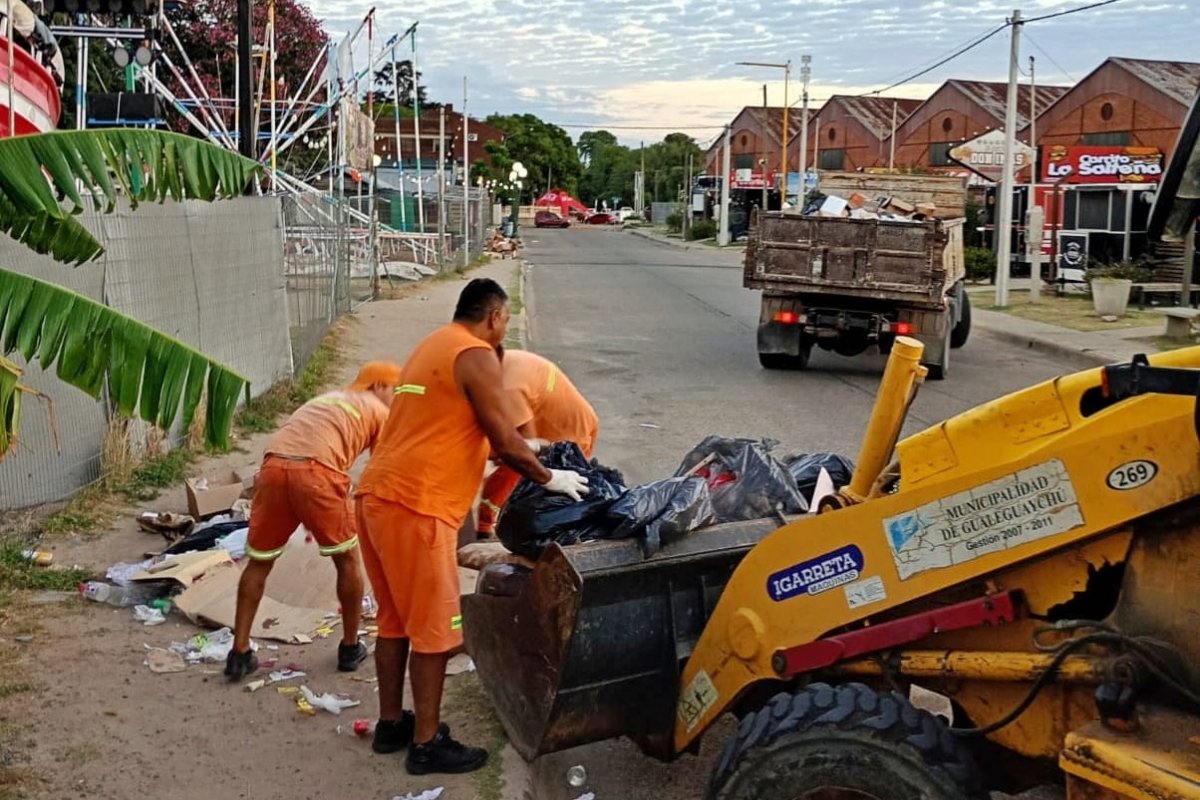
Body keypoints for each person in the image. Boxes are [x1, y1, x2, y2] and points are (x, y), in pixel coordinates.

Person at [355, 278, 588, 775]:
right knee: (437, 632)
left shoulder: (432, 346)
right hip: (418, 506)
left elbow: (456, 430)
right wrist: (550, 477)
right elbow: (504, 440)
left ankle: (391, 724)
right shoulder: (476, 353)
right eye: (503, 323)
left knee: (395, 622)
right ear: (496, 317)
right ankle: (425, 745)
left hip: (376, 496)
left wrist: (538, 449)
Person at [224, 361, 402, 681]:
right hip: (319, 473)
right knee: (347, 560)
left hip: (274, 467)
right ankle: (350, 647)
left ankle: (239, 653)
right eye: (395, 391)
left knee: (259, 563)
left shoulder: (324, 400)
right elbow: (382, 469)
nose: (396, 400)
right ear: (378, 386)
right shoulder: (379, 409)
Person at [476, 348, 599, 537]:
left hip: (569, 433)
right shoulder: (501, 363)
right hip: (568, 423)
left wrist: (490, 456)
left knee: (530, 472)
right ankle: (488, 523)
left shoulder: (508, 388)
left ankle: (490, 525)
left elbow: (523, 449)